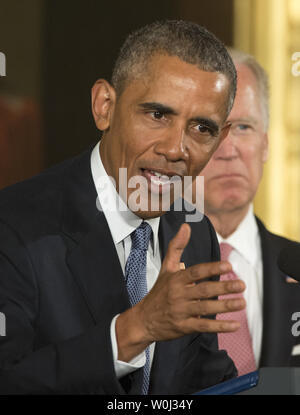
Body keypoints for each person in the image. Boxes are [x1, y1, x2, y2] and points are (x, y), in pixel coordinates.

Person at [0, 21, 246, 395]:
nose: (176, 149)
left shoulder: (194, 235)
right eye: (158, 115)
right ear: (105, 107)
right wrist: (136, 329)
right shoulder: (13, 226)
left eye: (201, 128)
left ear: (221, 139)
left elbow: (203, 379)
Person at [200, 48, 300, 376]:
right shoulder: (141, 267)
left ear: (266, 144)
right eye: (210, 129)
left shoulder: (295, 266)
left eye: (243, 127)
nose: (229, 150)